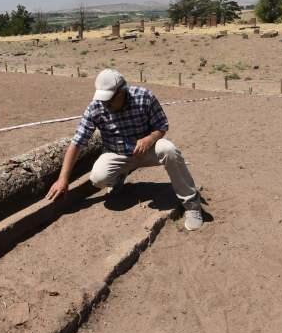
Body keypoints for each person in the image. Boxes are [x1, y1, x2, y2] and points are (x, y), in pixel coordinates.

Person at [46, 69, 204, 231]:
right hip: (117, 153)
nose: (105, 104)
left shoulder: (144, 97)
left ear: (122, 91)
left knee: (169, 150)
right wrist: (63, 179)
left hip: (147, 150)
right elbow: (77, 143)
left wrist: (149, 139)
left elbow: (162, 126)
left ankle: (192, 203)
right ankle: (118, 177)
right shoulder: (96, 108)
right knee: (98, 178)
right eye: (102, 99)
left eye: (109, 99)